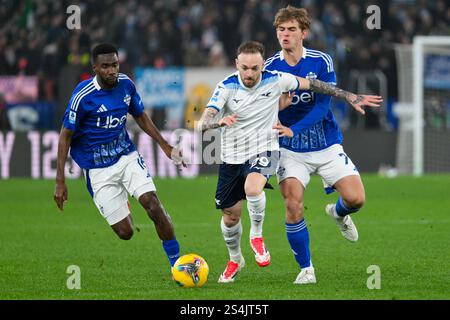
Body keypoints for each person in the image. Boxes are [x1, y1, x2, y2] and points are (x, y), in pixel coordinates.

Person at [198, 40, 381, 283]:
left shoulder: (276, 78)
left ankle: (257, 236)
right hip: (232, 156)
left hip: (267, 148)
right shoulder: (226, 86)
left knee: (254, 188)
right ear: (236, 65)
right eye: (245, 68)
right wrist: (217, 122)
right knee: (230, 217)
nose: (250, 73)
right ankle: (236, 259)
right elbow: (202, 123)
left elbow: (316, 85)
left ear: (262, 65)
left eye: (254, 68)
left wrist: (348, 96)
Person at [264, 6, 382, 284]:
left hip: (326, 144)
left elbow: (321, 107)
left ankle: (338, 214)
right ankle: (306, 269)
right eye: (281, 29)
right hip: (289, 150)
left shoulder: (321, 62)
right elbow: (265, 108)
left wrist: (295, 127)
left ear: (303, 33)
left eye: (291, 29)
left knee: (356, 199)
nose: (285, 34)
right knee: (293, 205)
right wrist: (277, 112)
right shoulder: (269, 67)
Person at [53, 43, 185, 271]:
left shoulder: (126, 84)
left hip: (126, 157)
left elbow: (140, 115)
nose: (111, 70)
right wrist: (60, 181)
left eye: (114, 64)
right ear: (95, 67)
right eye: (105, 66)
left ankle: (178, 266)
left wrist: (165, 145)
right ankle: (124, 201)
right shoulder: (83, 96)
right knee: (126, 233)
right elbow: (65, 135)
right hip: (97, 169)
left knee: (152, 204)